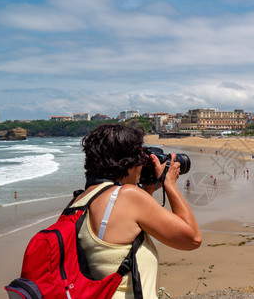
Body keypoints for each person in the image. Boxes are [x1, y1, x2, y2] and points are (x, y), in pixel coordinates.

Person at [73, 124, 201, 298]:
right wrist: (169, 183)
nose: (142, 165)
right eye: (141, 159)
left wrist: (147, 192)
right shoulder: (127, 196)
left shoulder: (79, 201)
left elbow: (119, 232)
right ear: (130, 163)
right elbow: (192, 239)